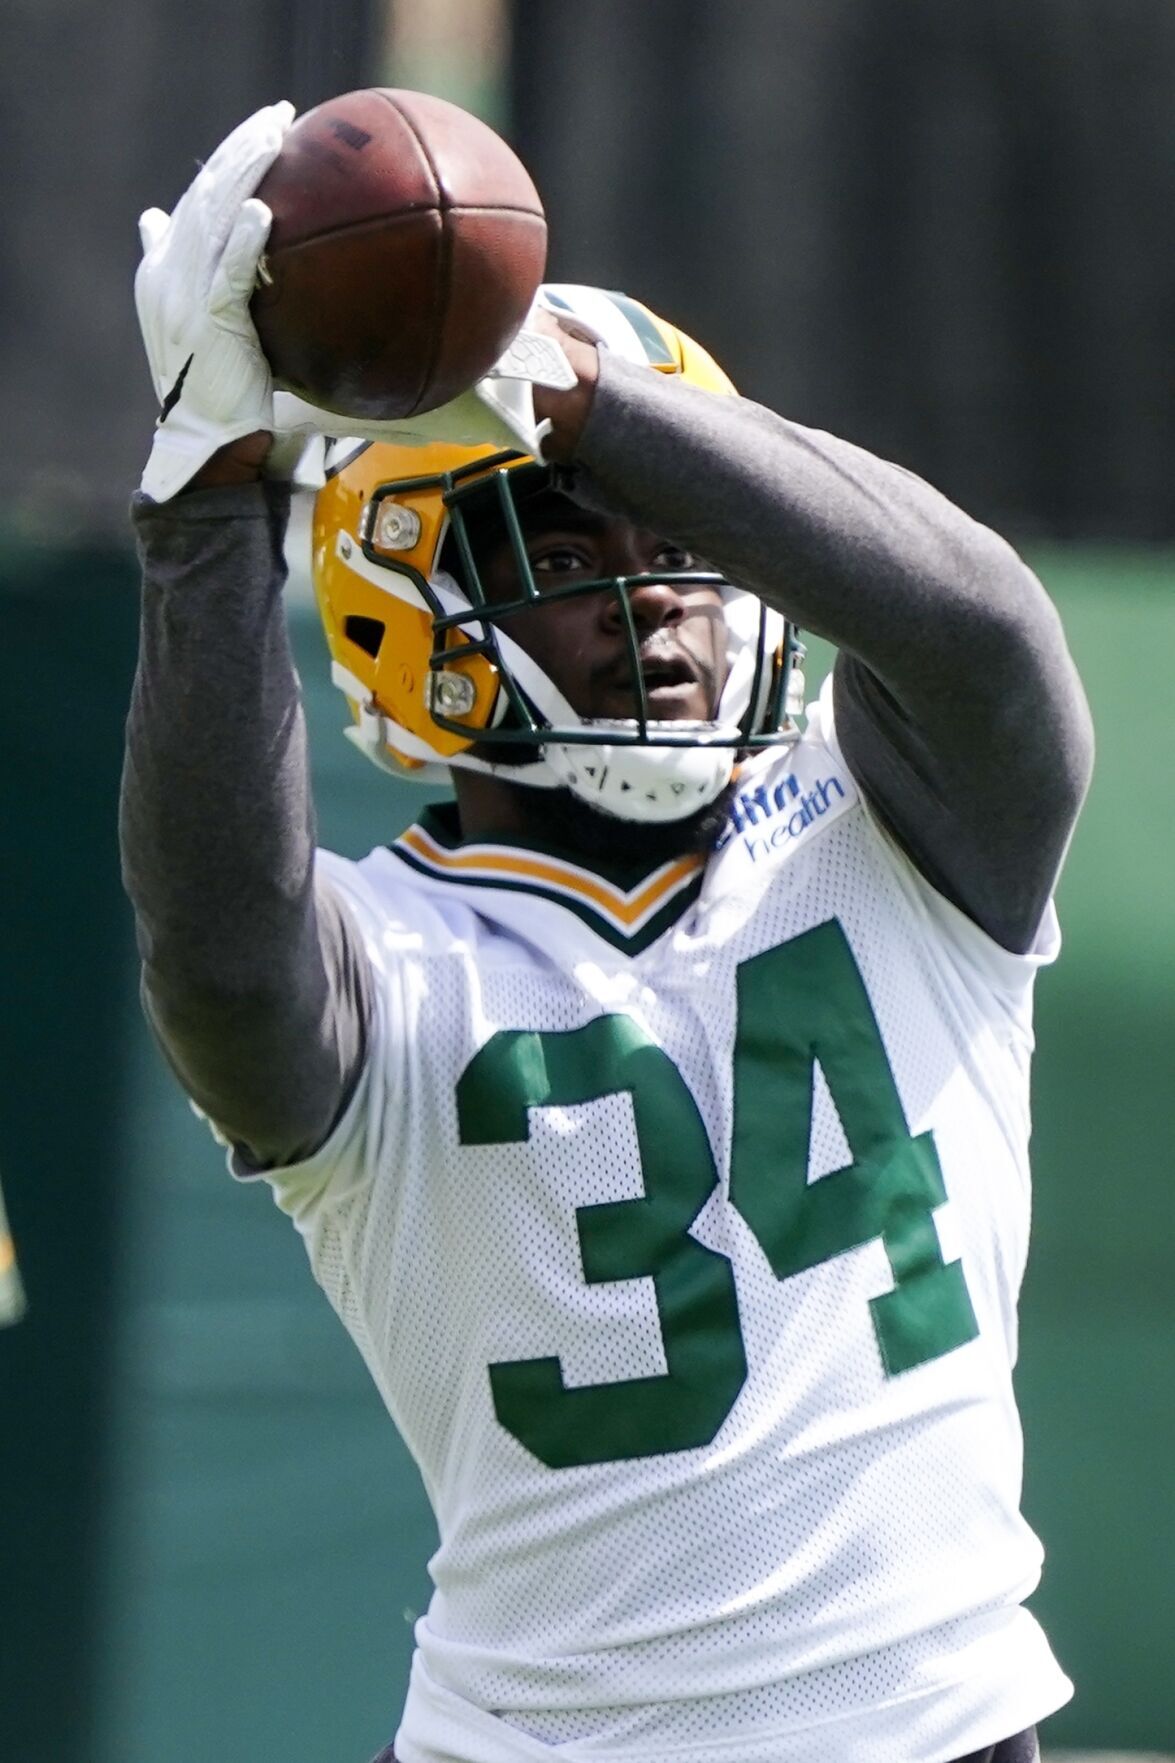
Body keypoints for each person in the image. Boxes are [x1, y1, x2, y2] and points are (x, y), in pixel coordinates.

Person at [121, 105, 1093, 1763]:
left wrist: (585, 401)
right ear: (398, 601)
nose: (652, 593)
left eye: (686, 547)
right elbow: (220, 954)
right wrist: (208, 507)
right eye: (562, 550)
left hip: (945, 1728)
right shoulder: (387, 958)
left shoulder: (903, 836)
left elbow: (986, 635)